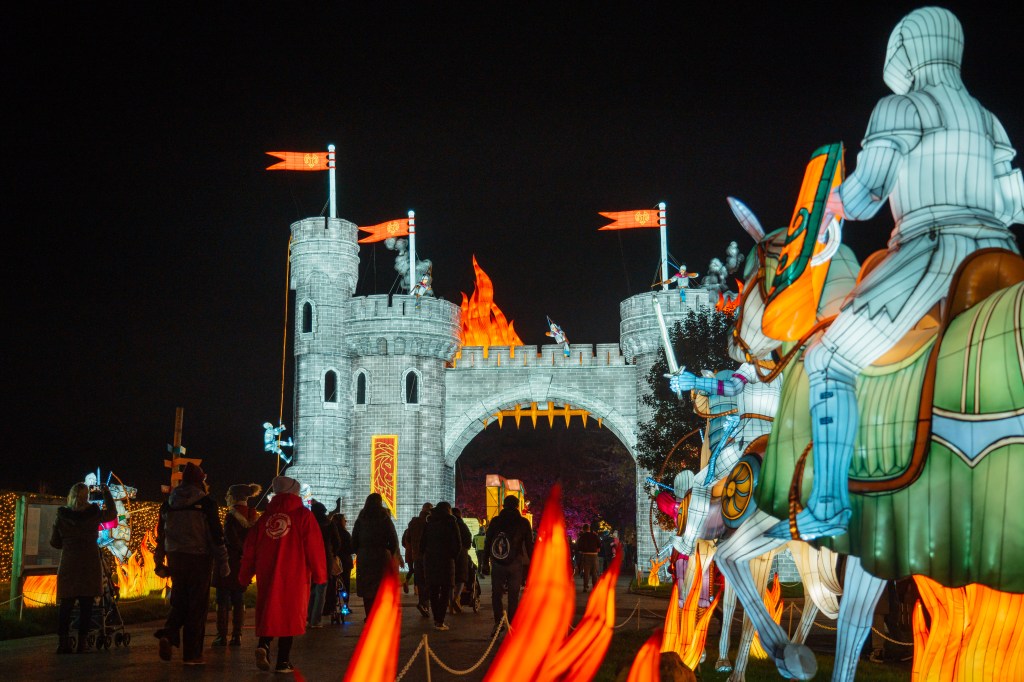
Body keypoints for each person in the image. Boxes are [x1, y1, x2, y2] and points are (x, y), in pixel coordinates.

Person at [773, 6, 1023, 541]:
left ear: (909, 49)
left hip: (931, 251)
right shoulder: (988, 120)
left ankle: (830, 504)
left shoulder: (901, 106)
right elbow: (1012, 200)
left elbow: (866, 194)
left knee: (828, 358)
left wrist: (829, 204)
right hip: (1003, 251)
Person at [239, 476, 326, 674]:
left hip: (267, 572)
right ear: (294, 493)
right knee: (289, 615)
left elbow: (249, 549)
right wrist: (320, 574)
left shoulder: (264, 519)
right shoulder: (303, 516)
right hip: (294, 575)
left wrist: (244, 576)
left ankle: (265, 644)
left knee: (271, 608)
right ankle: (283, 661)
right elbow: (314, 547)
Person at [152, 463, 229, 666]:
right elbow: (216, 535)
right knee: (197, 606)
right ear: (200, 480)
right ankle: (192, 654)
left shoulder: (168, 503)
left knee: (180, 601)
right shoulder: (206, 503)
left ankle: (168, 634)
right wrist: (223, 562)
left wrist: (159, 561)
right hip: (199, 558)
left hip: (175, 557)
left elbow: (161, 535)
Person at [50, 482, 117, 654]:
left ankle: (63, 642)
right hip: (89, 562)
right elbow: (112, 514)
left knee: (66, 604)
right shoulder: (93, 513)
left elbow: (55, 542)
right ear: (86, 496)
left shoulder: (62, 515)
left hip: (69, 563)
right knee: (87, 603)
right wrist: (106, 492)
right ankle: (82, 642)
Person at [212, 482, 261, 647]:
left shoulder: (231, 516)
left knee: (222, 599)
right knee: (239, 599)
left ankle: (221, 636)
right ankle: (237, 636)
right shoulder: (254, 517)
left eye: (227, 495)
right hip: (243, 564)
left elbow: (228, 538)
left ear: (233, 497)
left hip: (228, 563)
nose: (226, 498)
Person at [482, 494, 534, 635]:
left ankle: (498, 623)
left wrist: (484, 562)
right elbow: (529, 545)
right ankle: (513, 623)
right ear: (518, 506)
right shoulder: (523, 522)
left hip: (498, 562)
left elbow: (488, 543)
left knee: (496, 594)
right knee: (513, 594)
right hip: (515, 562)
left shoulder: (496, 521)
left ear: (503, 505)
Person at [351, 492, 402, 619]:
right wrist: (387, 551)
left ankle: (369, 615)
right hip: (381, 557)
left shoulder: (361, 519)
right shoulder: (384, 518)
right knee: (380, 586)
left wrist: (361, 551)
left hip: (365, 557)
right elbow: (393, 539)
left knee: (367, 588)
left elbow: (354, 541)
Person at [419, 501, 462, 630]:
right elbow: (457, 543)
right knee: (444, 591)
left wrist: (426, 555)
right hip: (446, 561)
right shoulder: (451, 522)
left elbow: (422, 543)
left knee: (433, 590)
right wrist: (453, 556)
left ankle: (436, 618)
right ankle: (440, 621)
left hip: (431, 561)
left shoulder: (429, 523)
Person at [308, 501, 341, 628]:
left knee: (311, 588)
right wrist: (333, 553)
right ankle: (315, 620)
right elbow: (337, 542)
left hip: (310, 556)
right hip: (325, 557)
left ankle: (309, 616)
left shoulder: (309, 523)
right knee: (321, 590)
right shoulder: (329, 524)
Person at [402, 502, 432, 616]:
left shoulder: (413, 522)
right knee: (429, 580)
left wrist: (412, 550)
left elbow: (407, 539)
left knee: (420, 581)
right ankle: (425, 605)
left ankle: (423, 604)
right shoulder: (429, 522)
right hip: (428, 555)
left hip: (416, 556)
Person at [325, 511, 354, 618]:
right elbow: (351, 548)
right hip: (344, 562)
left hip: (332, 561)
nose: (346, 522)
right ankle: (345, 606)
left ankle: (331, 606)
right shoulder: (345, 534)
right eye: (344, 520)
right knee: (345, 584)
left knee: (332, 584)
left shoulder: (330, 531)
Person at [451, 507, 473, 613]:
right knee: (460, 577)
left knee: (449, 578)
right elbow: (469, 539)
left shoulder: (446, 524)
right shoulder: (462, 525)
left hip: (448, 554)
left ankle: (450, 600)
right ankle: (456, 597)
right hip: (461, 554)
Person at [575, 524, 601, 591]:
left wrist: (581, 550)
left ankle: (585, 586)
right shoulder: (595, 535)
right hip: (594, 555)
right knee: (595, 572)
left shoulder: (582, 537)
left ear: (583, 529)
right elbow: (599, 544)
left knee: (586, 572)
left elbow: (578, 546)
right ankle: (594, 586)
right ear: (589, 528)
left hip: (586, 555)